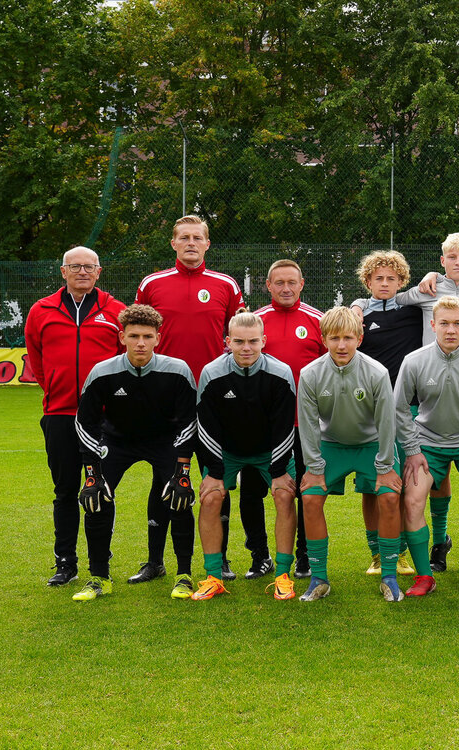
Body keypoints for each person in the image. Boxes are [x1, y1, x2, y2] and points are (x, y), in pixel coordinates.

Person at [134, 215, 246, 583]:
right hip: (166, 402)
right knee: (163, 479)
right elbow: (138, 334)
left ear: (208, 244)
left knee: (218, 479)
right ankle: (155, 560)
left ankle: (222, 559)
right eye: (184, 238)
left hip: (216, 400)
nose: (191, 243)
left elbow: (240, 336)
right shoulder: (152, 284)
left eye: (198, 238)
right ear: (173, 244)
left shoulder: (226, 285)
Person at [72, 304, 198, 601]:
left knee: (179, 496)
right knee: (96, 498)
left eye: (147, 336)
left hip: (164, 442)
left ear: (158, 338)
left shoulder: (178, 370)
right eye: (133, 336)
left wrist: (182, 469)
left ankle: (182, 574)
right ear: (121, 337)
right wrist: (91, 473)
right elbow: (85, 421)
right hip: (116, 442)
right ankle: (99, 577)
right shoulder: (103, 372)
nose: (140, 342)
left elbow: (188, 421)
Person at [25, 246, 126, 586]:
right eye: (75, 266)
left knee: (102, 489)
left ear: (99, 272)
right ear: (63, 271)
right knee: (65, 490)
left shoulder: (116, 311)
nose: (82, 271)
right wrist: (54, 388)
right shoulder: (41, 311)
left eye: (89, 266)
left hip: (104, 419)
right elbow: (37, 360)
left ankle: (101, 560)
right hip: (60, 413)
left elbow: (126, 359)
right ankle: (65, 563)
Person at [400, 233, 459, 572]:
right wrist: (357, 305)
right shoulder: (428, 290)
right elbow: (388, 297)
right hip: (432, 412)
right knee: (431, 488)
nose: (458, 261)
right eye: (451, 257)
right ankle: (438, 546)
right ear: (442, 261)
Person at [297, 307, 403, 602]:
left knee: (390, 496)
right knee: (310, 497)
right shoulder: (310, 374)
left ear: (360, 337)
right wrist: (314, 467)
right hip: (332, 446)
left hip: (371, 445)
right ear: (323, 339)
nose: (341, 345)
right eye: (334, 338)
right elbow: (307, 425)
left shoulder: (376, 372)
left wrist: (385, 466)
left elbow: (386, 423)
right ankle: (318, 579)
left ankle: (390, 576)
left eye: (347, 338)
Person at [192, 313, 299, 601]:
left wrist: (278, 471)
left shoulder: (281, 372)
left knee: (284, 495)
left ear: (264, 341)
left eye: (253, 341)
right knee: (211, 496)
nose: (246, 348)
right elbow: (206, 425)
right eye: (238, 341)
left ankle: (283, 575)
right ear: (227, 341)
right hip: (226, 453)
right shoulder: (212, 373)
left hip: (269, 451)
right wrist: (214, 472)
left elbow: (284, 426)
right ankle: (213, 576)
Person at [245, 260, 326, 580]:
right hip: (260, 427)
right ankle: (259, 555)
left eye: (291, 282)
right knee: (253, 491)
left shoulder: (318, 320)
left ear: (302, 284)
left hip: (305, 426)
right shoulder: (255, 322)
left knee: (307, 490)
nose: (286, 288)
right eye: (279, 283)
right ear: (268, 286)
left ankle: (305, 555)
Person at [350, 251, 422, 578]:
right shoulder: (358, 315)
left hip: (408, 409)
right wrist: (355, 306)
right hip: (369, 411)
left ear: (401, 282)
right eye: (378, 278)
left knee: (406, 484)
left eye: (391, 278)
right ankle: (377, 554)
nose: (384, 283)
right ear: (368, 282)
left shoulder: (414, 310)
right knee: (370, 485)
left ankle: (402, 553)